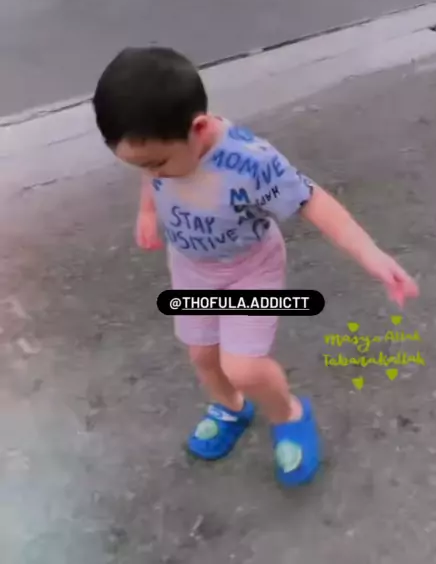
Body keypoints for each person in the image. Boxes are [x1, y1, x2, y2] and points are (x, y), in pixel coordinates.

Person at [93, 46, 419, 487]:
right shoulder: (162, 148)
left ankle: (290, 414)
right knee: (203, 356)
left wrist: (370, 254)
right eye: (142, 167)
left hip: (249, 270)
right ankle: (231, 408)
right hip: (191, 268)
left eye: (157, 165)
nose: (155, 175)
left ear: (198, 128)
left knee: (243, 366)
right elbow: (150, 174)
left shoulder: (252, 164)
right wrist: (148, 210)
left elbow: (313, 202)